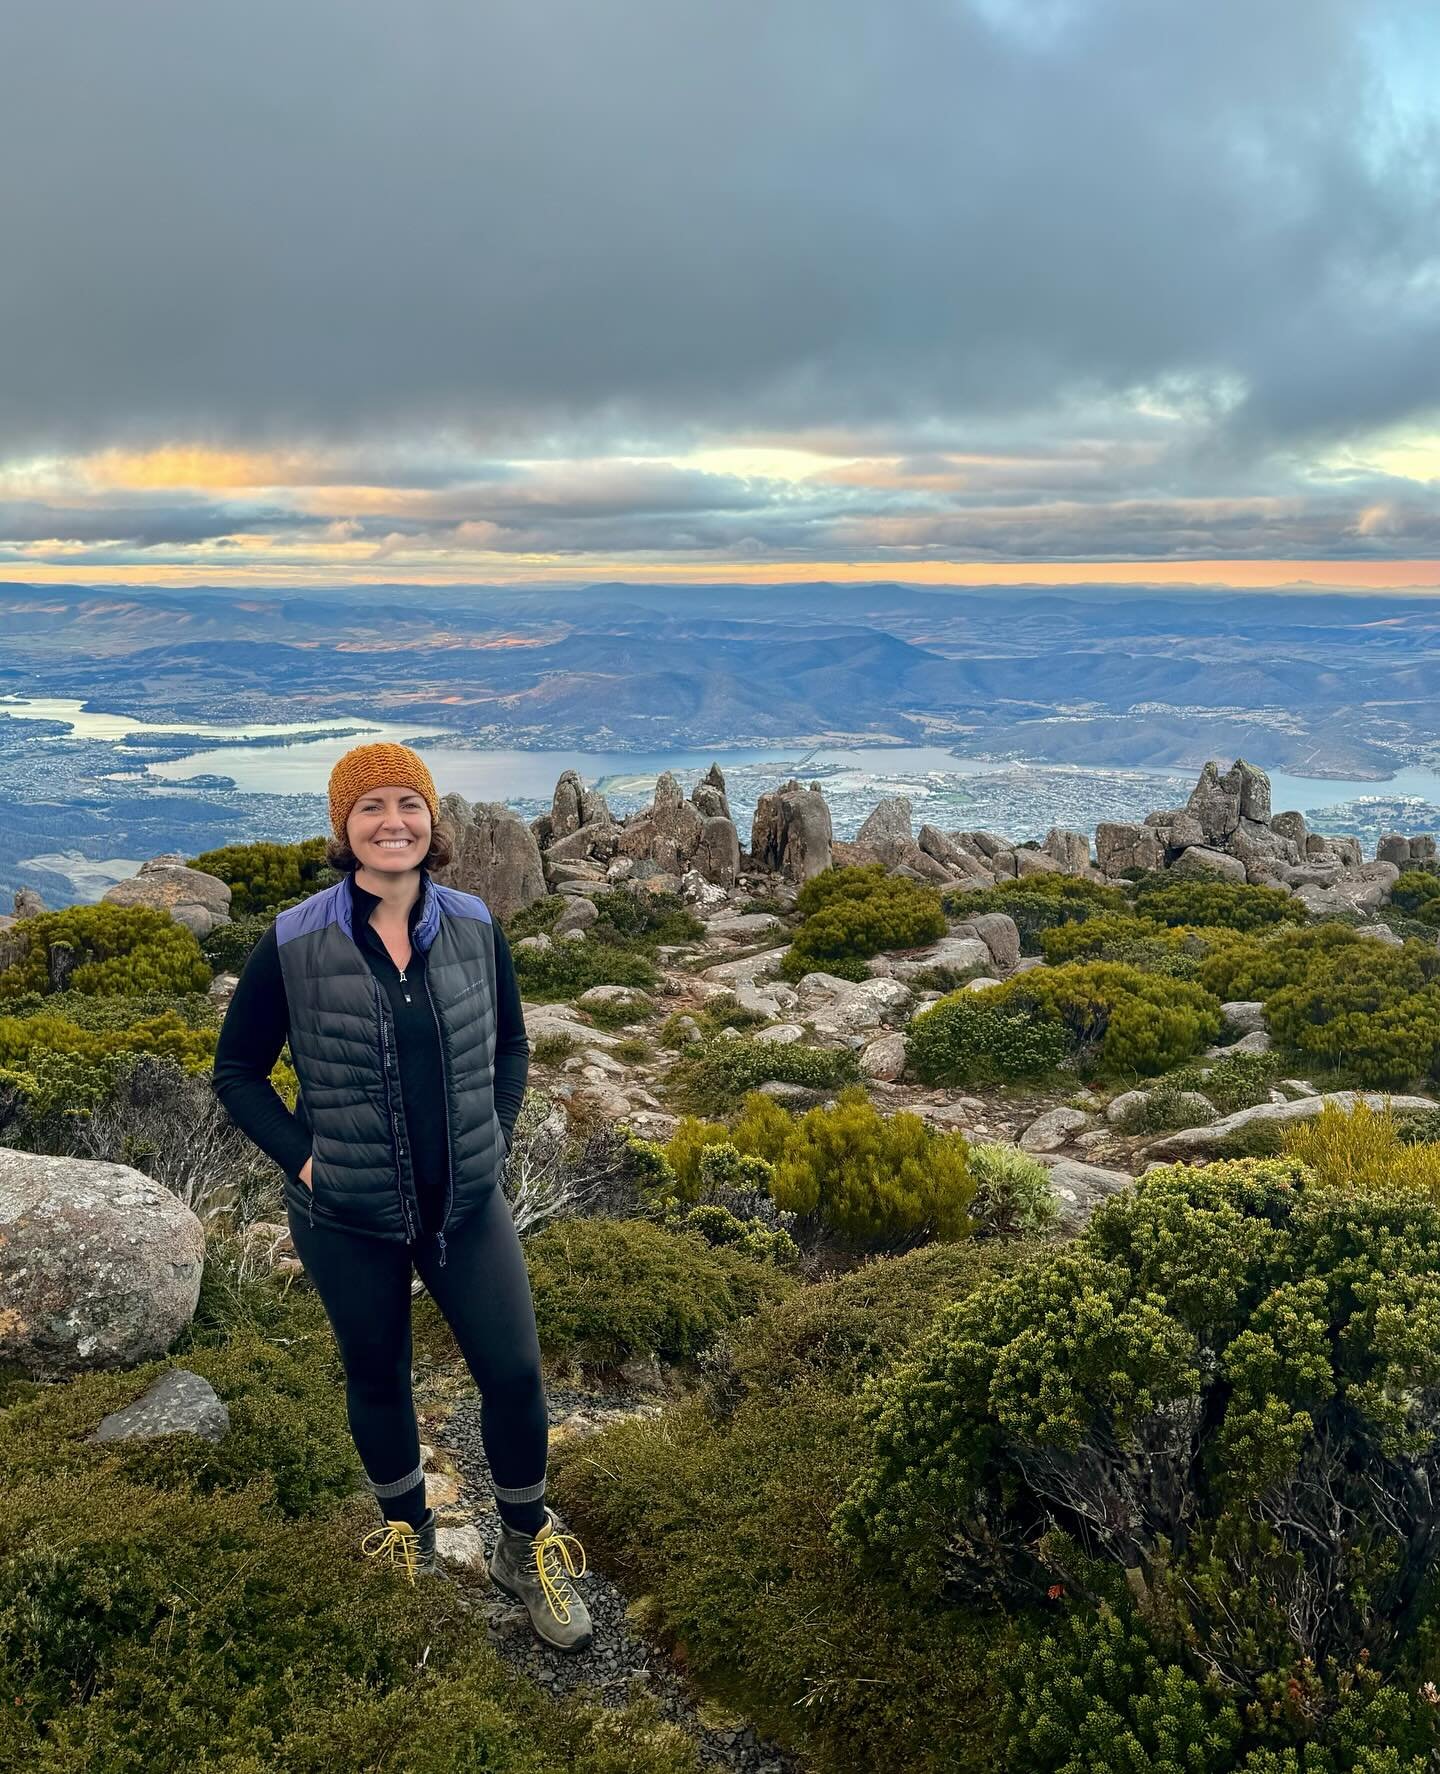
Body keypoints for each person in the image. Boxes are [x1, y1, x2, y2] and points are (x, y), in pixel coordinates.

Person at [212, 740, 593, 1652]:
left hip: (465, 1201)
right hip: (346, 1212)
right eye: (372, 806)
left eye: (409, 804)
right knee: (377, 1374)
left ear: (433, 820)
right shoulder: (296, 939)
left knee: (512, 1374)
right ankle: (408, 1533)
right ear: (345, 827)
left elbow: (510, 1047)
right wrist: (310, 1164)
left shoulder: (471, 923)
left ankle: (523, 1542)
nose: (394, 823)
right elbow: (237, 1074)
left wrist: (494, 1136)